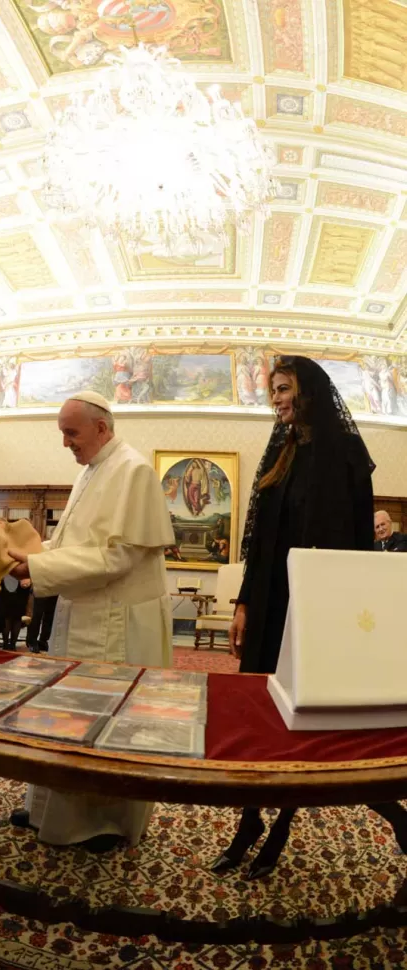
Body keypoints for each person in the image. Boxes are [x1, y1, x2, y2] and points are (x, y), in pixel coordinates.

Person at [214, 356, 407, 880]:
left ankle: (281, 825)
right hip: (271, 602)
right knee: (257, 715)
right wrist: (245, 605)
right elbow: (259, 544)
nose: (274, 398)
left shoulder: (345, 453)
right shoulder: (281, 449)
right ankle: (251, 818)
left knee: (303, 719)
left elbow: (358, 548)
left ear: (308, 390)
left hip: (317, 607)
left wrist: (345, 614)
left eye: (282, 389)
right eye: (272, 391)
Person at [7, 390, 174, 851]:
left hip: (113, 626)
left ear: (102, 428)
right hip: (81, 611)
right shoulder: (91, 471)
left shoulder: (133, 470)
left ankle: (99, 823)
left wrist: (39, 568)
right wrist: (35, 558)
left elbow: (118, 556)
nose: (65, 442)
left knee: (102, 723)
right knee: (65, 716)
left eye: (71, 432)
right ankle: (47, 812)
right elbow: (75, 545)